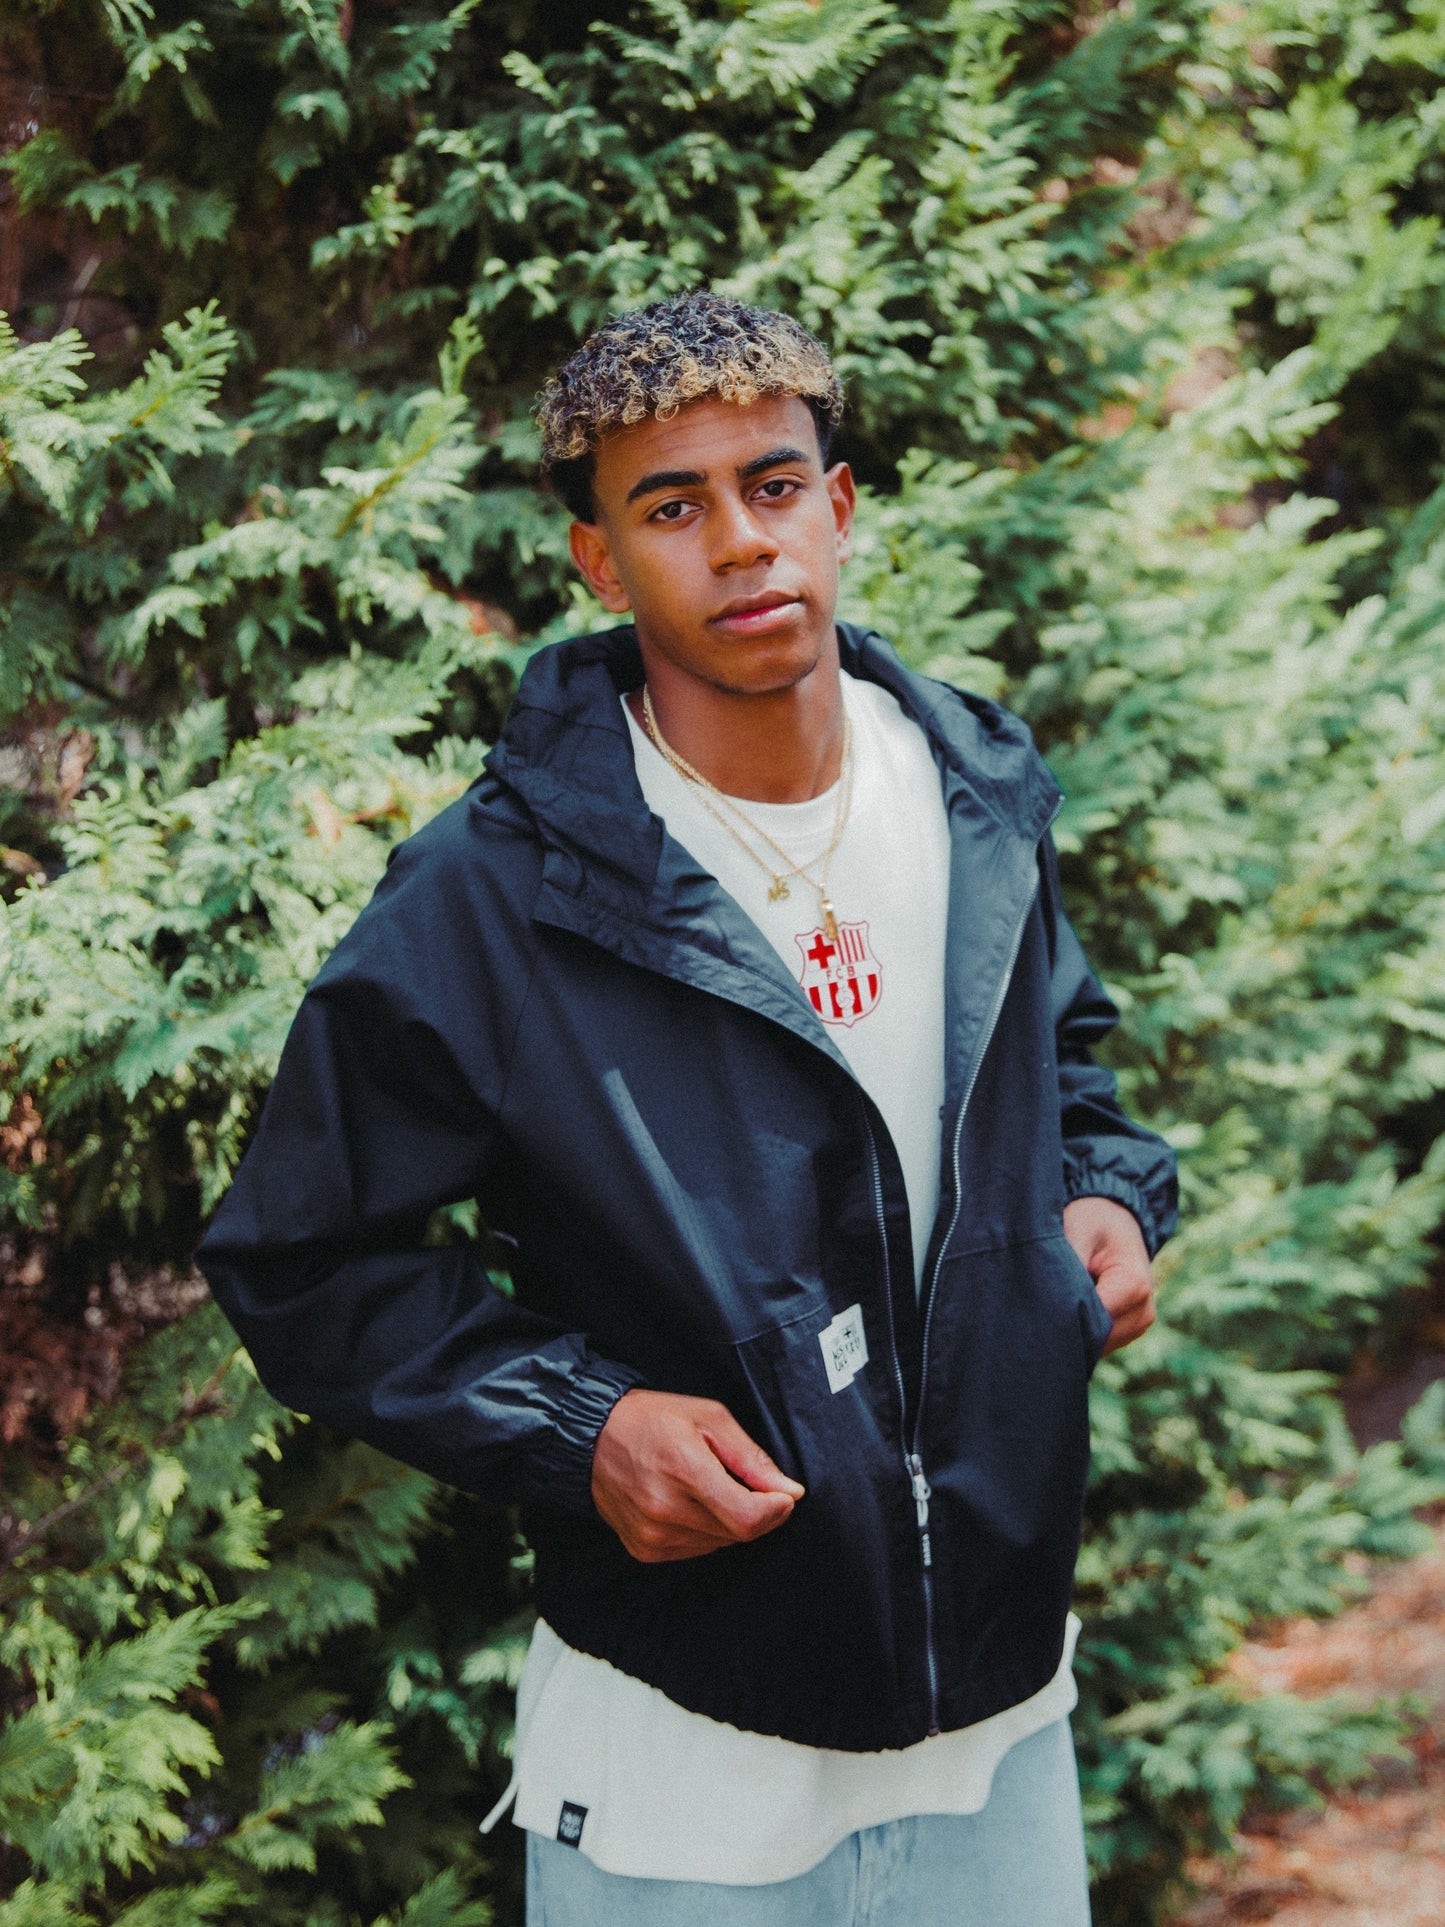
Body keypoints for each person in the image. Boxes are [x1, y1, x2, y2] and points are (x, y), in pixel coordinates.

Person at [199, 290, 1177, 1925]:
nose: (739, 542)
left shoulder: (975, 794)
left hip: (1001, 1727)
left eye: (772, 485)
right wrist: (582, 1426)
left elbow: (1067, 1070)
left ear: (837, 505)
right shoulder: (495, 893)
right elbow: (303, 1255)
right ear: (597, 561)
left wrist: (1102, 1199)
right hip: (682, 1775)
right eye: (671, 507)